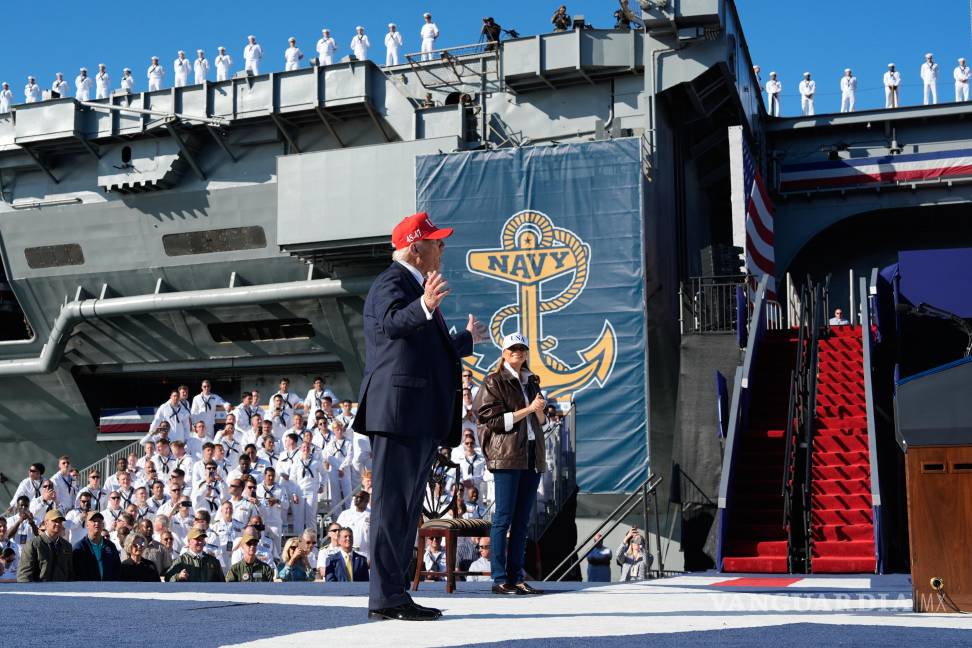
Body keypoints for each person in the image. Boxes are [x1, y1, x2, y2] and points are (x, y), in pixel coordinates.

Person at [354, 210, 484, 621]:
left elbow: (421, 350)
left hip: (413, 415)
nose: (442, 248)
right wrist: (425, 305)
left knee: (407, 511)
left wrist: (464, 341)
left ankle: (395, 595)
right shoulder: (392, 282)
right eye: (436, 242)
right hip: (398, 415)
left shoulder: (411, 285)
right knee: (391, 509)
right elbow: (392, 325)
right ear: (415, 247)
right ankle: (384, 598)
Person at [477, 332, 548, 596]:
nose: (518, 351)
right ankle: (499, 578)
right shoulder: (494, 381)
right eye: (513, 348)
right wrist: (529, 409)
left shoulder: (532, 381)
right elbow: (493, 421)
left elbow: (542, 422)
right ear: (504, 353)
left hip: (531, 454)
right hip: (507, 455)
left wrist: (538, 410)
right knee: (503, 518)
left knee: (521, 521)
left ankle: (516, 577)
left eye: (522, 348)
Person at [17, 510, 74, 582]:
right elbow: (24, 576)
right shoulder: (33, 545)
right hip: (40, 588)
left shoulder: (67, 546)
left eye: (60, 521)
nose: (58, 524)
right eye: (54, 521)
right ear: (46, 523)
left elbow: (70, 573)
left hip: (62, 588)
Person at [72, 511, 121, 581]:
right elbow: (76, 572)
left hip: (109, 587)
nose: (97, 523)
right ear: (87, 525)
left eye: (99, 521)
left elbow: (117, 568)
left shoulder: (110, 545)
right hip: (88, 587)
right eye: (94, 521)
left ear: (103, 525)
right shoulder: (80, 547)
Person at [336, 490, 370, 558]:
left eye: (360, 497)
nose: (356, 499)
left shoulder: (371, 516)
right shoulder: (345, 514)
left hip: (364, 553)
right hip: (346, 553)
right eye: (355, 497)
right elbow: (337, 532)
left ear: (366, 501)